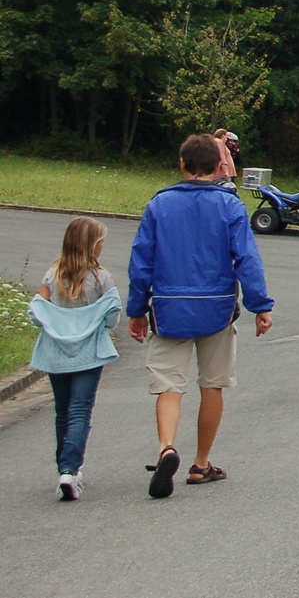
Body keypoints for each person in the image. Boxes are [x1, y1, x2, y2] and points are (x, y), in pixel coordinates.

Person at [126, 134, 274, 499]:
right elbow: (246, 259)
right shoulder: (230, 206)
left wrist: (136, 310)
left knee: (168, 384)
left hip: (168, 307)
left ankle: (166, 448)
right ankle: (201, 462)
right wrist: (261, 305)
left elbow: (141, 261)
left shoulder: (159, 205)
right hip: (217, 307)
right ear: (218, 167)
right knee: (212, 384)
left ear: (182, 164)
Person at [29, 216, 121, 501]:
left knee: (63, 411)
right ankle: (70, 469)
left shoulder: (52, 275)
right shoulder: (100, 278)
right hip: (88, 354)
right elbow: (112, 318)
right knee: (81, 410)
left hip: (56, 354)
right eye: (101, 242)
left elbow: (36, 314)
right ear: (92, 246)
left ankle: (63, 470)